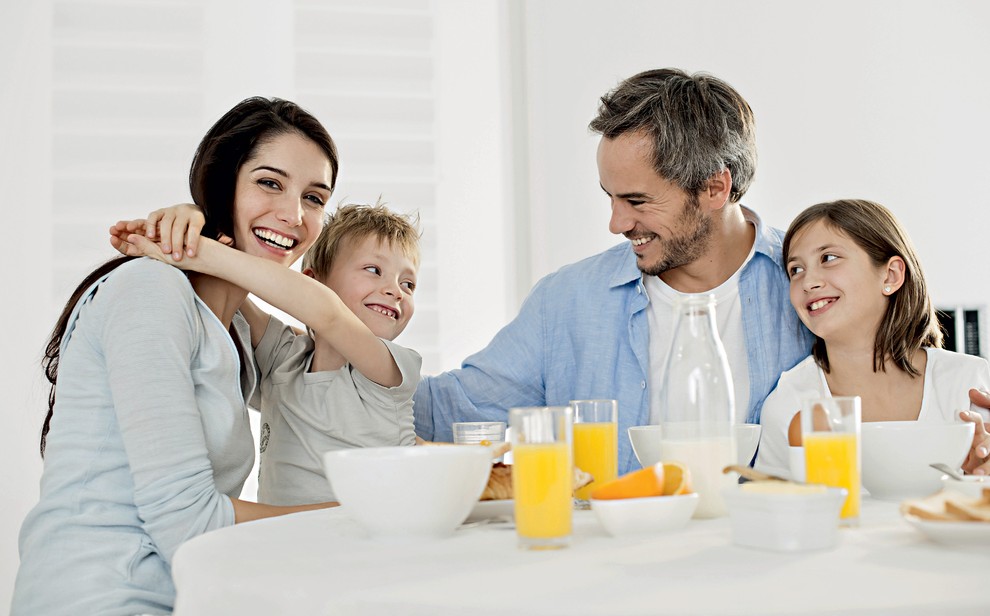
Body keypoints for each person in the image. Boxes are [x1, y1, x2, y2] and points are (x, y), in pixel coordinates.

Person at [12, 97, 341, 615]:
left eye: (315, 197)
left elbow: (337, 369)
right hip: (99, 598)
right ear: (221, 182)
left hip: (182, 598)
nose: (294, 215)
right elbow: (189, 522)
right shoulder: (151, 290)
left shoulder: (237, 331)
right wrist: (359, 516)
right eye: (269, 182)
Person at [413, 68, 815, 474]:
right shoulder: (566, 300)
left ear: (714, 188)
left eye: (637, 201)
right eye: (611, 197)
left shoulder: (812, 287)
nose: (617, 224)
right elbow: (450, 409)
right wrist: (350, 337)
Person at [118, 202, 423, 505]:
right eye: (374, 270)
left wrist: (200, 251)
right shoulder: (284, 357)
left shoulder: (393, 372)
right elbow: (233, 288)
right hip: (286, 541)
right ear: (313, 281)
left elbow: (328, 315)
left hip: (369, 541)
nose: (395, 291)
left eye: (408, 284)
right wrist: (185, 226)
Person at [755, 199, 990, 479]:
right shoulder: (789, 403)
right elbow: (773, 508)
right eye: (796, 269)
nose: (808, 282)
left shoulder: (972, 384)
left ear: (890, 275)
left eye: (828, 258)